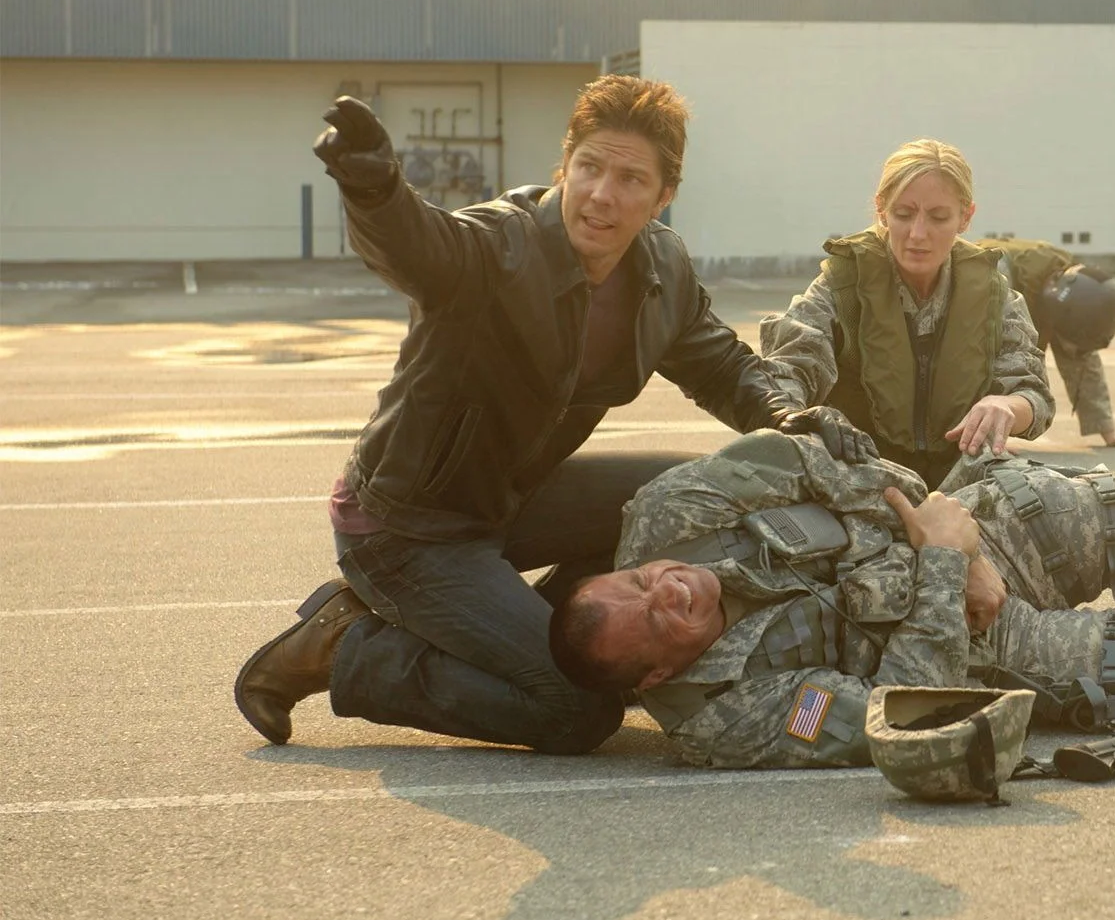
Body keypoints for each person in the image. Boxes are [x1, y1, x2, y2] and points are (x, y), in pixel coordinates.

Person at [233, 76, 874, 755]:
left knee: (696, 497)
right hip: (410, 526)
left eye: (630, 178)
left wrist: (787, 412)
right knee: (575, 707)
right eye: (590, 167)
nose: (602, 194)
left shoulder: (663, 273)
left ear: (664, 196)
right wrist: (376, 192)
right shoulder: (497, 247)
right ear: (564, 164)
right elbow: (418, 245)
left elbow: (723, 368)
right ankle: (351, 647)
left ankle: (513, 627)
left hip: (513, 494)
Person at [547, 430, 1115, 769]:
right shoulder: (718, 718)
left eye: (640, 580)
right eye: (658, 614)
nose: (668, 587)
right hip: (989, 649)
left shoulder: (674, 511)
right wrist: (948, 579)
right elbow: (905, 711)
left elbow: (842, 466)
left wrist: (950, 538)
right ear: (660, 671)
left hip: (970, 535)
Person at [760, 139, 1054, 489]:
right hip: (859, 477)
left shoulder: (993, 294)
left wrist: (1006, 406)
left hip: (961, 485)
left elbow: (1033, 395)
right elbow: (788, 369)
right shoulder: (841, 287)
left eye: (938, 217)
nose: (918, 234)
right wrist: (799, 416)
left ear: (966, 217)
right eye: (903, 214)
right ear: (881, 209)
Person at [979, 237, 1115, 448]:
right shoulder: (993, 278)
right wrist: (989, 437)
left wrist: (1107, 430)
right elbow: (969, 356)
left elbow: (1081, 358)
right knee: (998, 352)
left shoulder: (1072, 285)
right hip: (978, 307)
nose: (1072, 349)